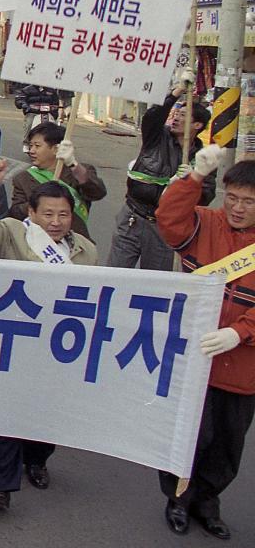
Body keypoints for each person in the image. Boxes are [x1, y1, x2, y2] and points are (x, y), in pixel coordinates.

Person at [0, 160, 97, 511]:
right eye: (48, 214)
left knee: (47, 415)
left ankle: (37, 459)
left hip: (59, 348)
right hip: (15, 342)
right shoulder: (12, 231)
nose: (55, 223)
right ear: (33, 213)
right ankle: (0, 487)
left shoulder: (86, 252)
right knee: (8, 416)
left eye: (63, 215)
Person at [155, 147, 255, 540]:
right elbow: (169, 219)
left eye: (249, 201)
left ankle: (208, 502)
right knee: (188, 436)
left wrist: (240, 332)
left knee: (227, 444)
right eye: (232, 197)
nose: (238, 208)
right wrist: (194, 177)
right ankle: (178, 498)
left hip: (242, 369)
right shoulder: (206, 224)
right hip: (193, 358)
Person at [107, 84, 213, 271]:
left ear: (198, 125)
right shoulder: (157, 136)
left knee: (153, 283)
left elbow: (206, 195)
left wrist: (190, 184)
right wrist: (174, 94)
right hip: (132, 216)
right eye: (176, 114)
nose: (176, 118)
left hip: (164, 227)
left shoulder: (204, 159)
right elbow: (152, 117)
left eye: (183, 116)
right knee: (114, 274)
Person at [9, 123, 106, 243]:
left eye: (37, 146)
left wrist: (73, 164)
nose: (31, 151)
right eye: (31, 146)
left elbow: (97, 192)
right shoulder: (23, 178)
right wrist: (40, 202)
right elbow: (15, 213)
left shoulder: (77, 172)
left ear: (55, 149)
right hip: (37, 244)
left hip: (74, 243)